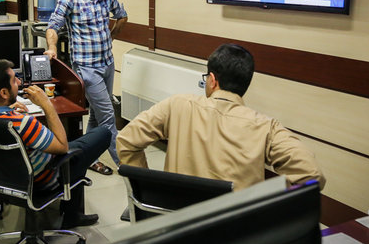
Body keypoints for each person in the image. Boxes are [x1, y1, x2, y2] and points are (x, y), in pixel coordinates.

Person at [116, 44, 325, 191]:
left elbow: (126, 141)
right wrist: (261, 200)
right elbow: (312, 175)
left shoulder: (177, 105)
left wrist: (149, 190)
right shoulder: (266, 127)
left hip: (178, 228)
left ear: (212, 80)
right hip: (234, 237)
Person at [0, 59, 111, 229]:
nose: (19, 82)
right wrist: (47, 105)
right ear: (3, 93)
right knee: (100, 135)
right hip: (39, 181)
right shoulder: (23, 123)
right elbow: (62, 146)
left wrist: (9, 107)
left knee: (78, 149)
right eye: (14, 80)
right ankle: (71, 216)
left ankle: (72, 214)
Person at [44, 0, 128, 176]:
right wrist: (52, 48)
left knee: (95, 115)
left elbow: (122, 16)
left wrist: (111, 36)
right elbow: (53, 26)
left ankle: (85, 157)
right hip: (86, 67)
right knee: (108, 116)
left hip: (107, 64)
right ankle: (125, 164)